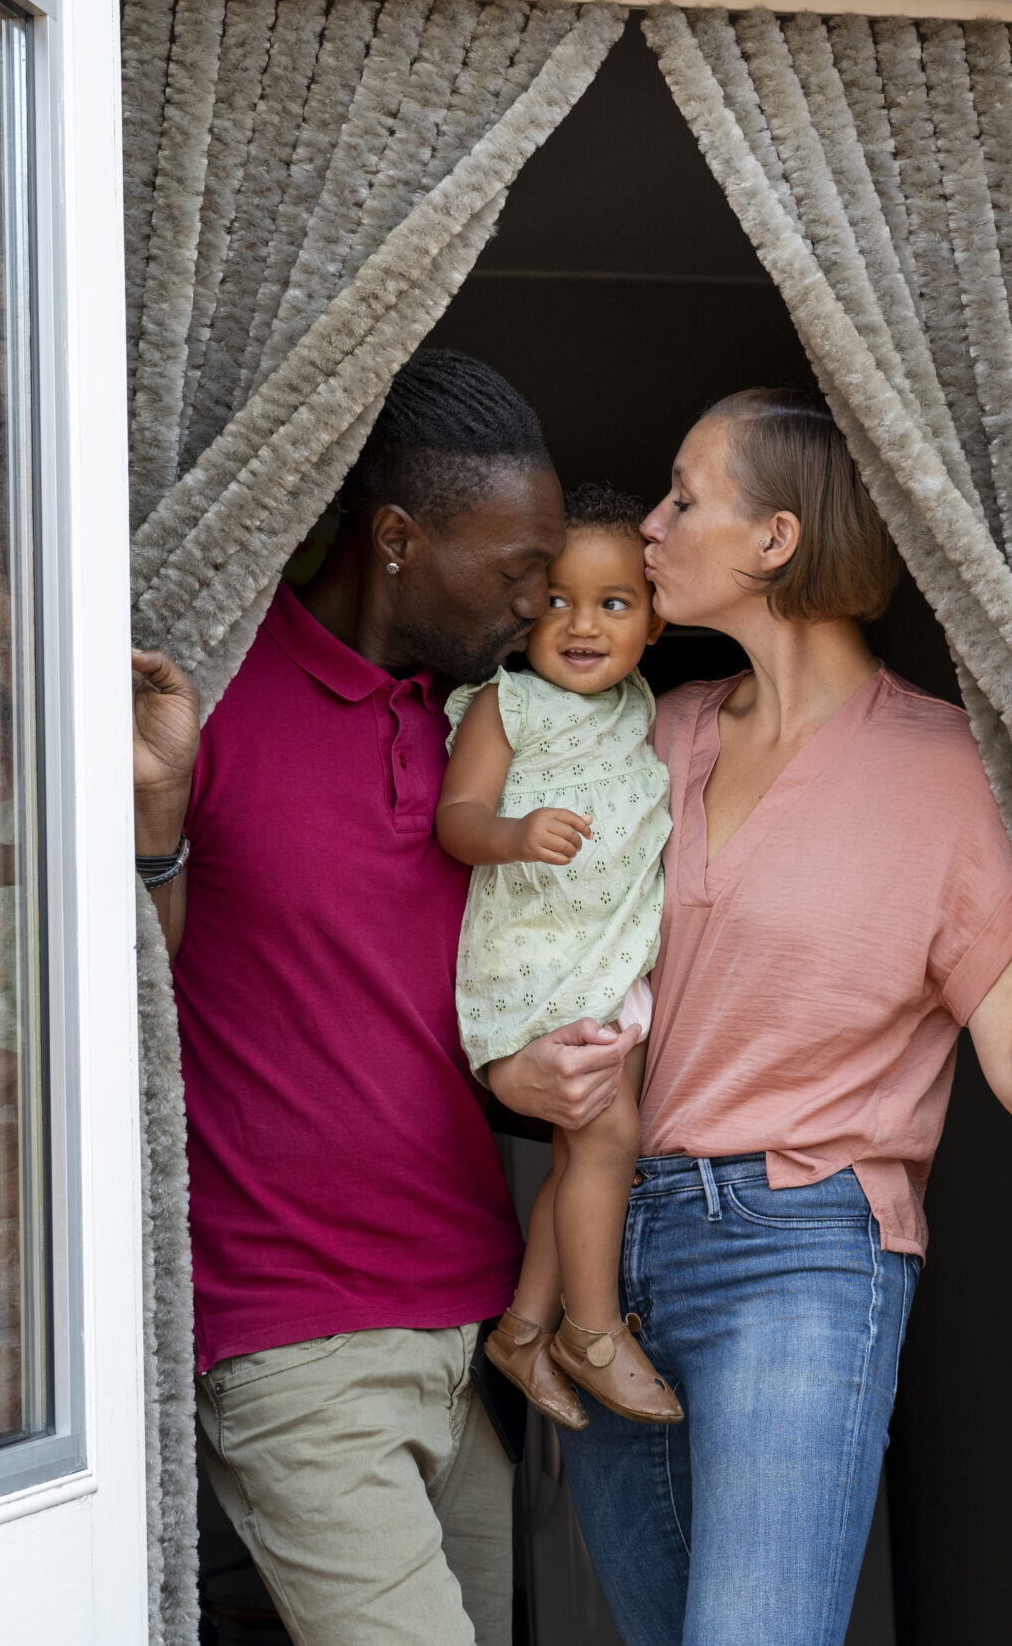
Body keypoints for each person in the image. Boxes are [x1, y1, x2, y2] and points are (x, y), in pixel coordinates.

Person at [488, 387, 1012, 1646]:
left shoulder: (941, 770)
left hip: (798, 1255)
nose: (651, 531)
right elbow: (527, 949)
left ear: (774, 541)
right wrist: (517, 1075)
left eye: (687, 498)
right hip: (606, 1257)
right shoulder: (652, 736)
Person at [130, 348, 567, 1646]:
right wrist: (155, 822)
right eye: (513, 569)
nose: (539, 600)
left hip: (469, 1331)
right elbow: (133, 993)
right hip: (296, 1333)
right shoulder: (214, 685)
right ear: (394, 536)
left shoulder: (478, 731)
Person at [436, 484, 684, 1430]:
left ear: (656, 620)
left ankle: (526, 1327)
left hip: (605, 958)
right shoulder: (510, 703)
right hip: (535, 958)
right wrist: (515, 832)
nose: (583, 624)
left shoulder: (639, 705)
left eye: (614, 602)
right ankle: (592, 1333)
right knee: (609, 1138)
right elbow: (456, 821)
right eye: (558, 600)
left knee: (593, 1152)